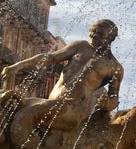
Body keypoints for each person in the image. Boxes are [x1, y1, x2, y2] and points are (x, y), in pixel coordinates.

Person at [1, 19, 124, 148]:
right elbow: (50, 58)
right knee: (11, 106)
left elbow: (114, 97)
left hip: (73, 109)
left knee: (25, 116)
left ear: (110, 38)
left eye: (100, 35)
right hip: (52, 102)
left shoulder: (114, 67)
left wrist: (107, 103)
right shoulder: (80, 46)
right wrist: (18, 66)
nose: (94, 38)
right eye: (93, 33)